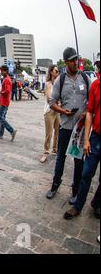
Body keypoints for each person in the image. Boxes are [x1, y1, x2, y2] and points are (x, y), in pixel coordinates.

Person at [46, 47, 91, 203]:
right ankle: (55, 184)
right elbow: (51, 102)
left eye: (76, 59)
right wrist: (63, 111)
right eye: (72, 60)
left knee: (79, 159)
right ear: (66, 62)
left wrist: (86, 113)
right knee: (61, 157)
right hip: (65, 125)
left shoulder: (85, 78)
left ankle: (75, 190)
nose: (75, 62)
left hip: (80, 128)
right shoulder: (61, 79)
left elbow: (91, 101)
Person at [64, 60, 100, 219]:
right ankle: (78, 205)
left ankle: (96, 202)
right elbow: (90, 112)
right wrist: (86, 140)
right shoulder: (96, 86)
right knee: (86, 173)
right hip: (96, 137)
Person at [40, 65, 60, 163]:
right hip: (49, 111)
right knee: (49, 133)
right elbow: (48, 98)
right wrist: (57, 103)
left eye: (58, 71)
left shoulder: (59, 84)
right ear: (51, 72)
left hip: (58, 111)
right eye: (56, 70)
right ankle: (46, 151)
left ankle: (55, 149)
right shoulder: (48, 84)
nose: (58, 72)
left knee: (57, 131)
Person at [0, 66, 17, 141]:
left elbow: (7, 90)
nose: (0, 72)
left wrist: (0, 92)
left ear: (5, 71)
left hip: (4, 102)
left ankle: (12, 131)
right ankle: (0, 134)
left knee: (0, 118)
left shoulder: (6, 79)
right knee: (2, 118)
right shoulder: (6, 79)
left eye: (1, 71)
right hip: (4, 101)